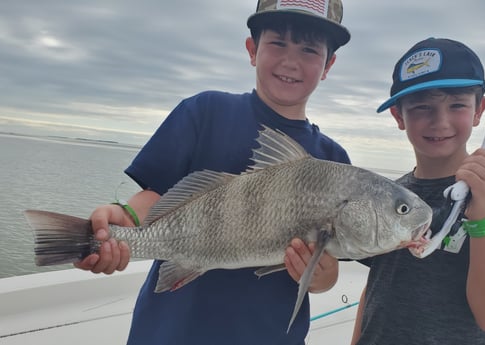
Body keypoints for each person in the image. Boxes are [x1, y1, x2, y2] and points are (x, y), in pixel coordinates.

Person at [74, 0, 352, 344]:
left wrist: (323, 277)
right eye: (278, 42)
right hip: (169, 332)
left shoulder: (333, 162)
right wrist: (126, 219)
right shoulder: (204, 111)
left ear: (329, 65)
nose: (291, 60)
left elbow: (324, 275)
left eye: (310, 49)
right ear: (252, 49)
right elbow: (154, 196)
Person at [351, 37, 485, 345]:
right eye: (422, 107)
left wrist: (483, 214)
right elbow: (377, 287)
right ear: (399, 116)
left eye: (457, 105)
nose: (440, 122)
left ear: (479, 110)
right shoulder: (390, 195)